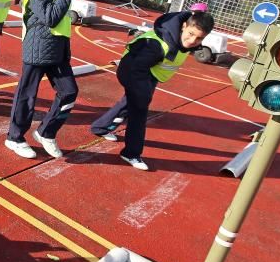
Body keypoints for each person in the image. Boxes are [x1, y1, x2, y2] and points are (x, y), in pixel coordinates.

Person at [90, 10, 215, 170]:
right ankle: (131, 153)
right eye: (190, 34)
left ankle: (100, 127)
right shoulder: (159, 45)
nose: (192, 41)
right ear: (184, 26)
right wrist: (142, 94)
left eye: (199, 38)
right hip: (133, 70)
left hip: (150, 72)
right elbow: (135, 67)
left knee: (129, 103)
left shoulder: (180, 36)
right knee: (139, 113)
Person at [5, 0, 79, 159]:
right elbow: (51, 18)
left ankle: (46, 132)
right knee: (27, 96)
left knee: (69, 92)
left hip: (57, 48)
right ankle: (14, 138)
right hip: (38, 48)